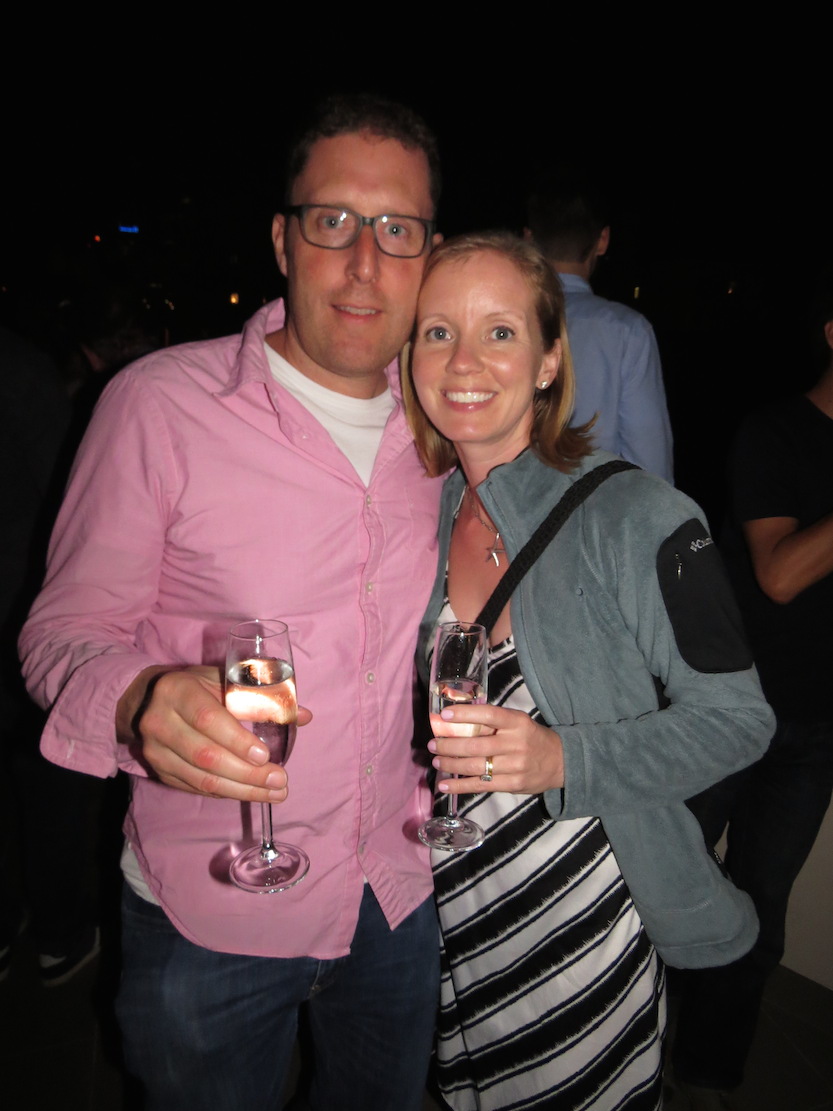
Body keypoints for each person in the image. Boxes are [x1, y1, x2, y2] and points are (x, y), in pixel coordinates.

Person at [20, 94, 444, 1111]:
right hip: (208, 913)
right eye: (332, 220)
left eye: (397, 229)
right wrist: (138, 698)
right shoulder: (160, 404)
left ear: (428, 254)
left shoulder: (447, 424)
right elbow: (60, 634)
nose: (364, 261)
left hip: (398, 894)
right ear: (282, 241)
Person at [402, 231, 775, 1111]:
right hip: (452, 911)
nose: (463, 360)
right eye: (437, 331)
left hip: (583, 915)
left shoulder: (639, 513)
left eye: (499, 332)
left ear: (548, 360)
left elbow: (738, 720)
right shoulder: (422, 512)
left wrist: (562, 757)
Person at [670, 292, 833, 1107]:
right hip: (731, 707)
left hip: (817, 722)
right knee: (669, 879)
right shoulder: (774, 432)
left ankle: (706, 1073)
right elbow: (779, 573)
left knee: (759, 908)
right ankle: (623, 1042)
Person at [526, 172, 674, 481]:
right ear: (602, 240)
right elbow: (651, 464)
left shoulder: (505, 320)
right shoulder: (627, 331)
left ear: (528, 239)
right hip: (598, 505)